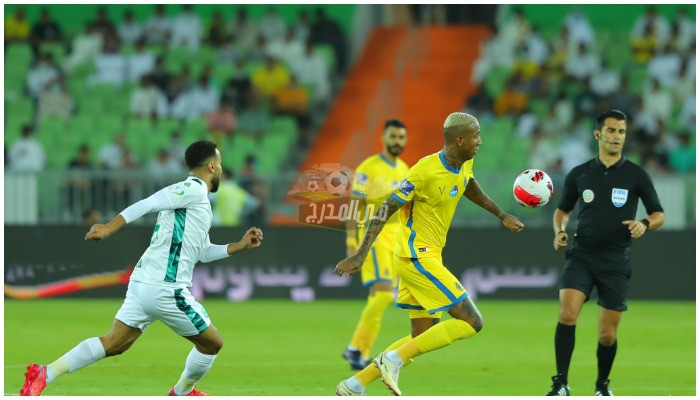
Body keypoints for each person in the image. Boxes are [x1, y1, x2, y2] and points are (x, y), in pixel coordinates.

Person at [19, 140, 264, 396]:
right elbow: (149, 202)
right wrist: (107, 228)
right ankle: (182, 392)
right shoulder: (191, 189)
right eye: (221, 162)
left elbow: (201, 251)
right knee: (213, 343)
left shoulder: (195, 202)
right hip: (166, 288)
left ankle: (44, 373)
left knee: (115, 343)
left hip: (143, 283)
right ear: (212, 166)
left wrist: (238, 246)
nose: (222, 168)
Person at [335, 112, 524, 396]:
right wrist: (361, 254)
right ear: (459, 140)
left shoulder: (464, 163)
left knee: (421, 336)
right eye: (476, 136)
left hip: (428, 256)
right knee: (472, 322)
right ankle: (392, 359)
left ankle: (353, 385)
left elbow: (468, 185)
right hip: (417, 257)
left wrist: (501, 214)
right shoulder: (423, 171)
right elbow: (386, 208)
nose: (480, 142)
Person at [545, 110, 665, 396]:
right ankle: (560, 383)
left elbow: (659, 214)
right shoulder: (580, 173)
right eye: (611, 131)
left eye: (621, 132)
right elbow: (562, 211)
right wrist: (559, 231)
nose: (616, 137)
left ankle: (602, 387)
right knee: (567, 313)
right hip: (581, 255)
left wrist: (644, 224)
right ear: (598, 134)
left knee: (607, 334)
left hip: (615, 260)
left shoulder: (636, 175)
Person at [341, 119, 410, 370]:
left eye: (401, 137)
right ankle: (355, 349)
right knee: (382, 294)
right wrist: (351, 243)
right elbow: (353, 206)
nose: (397, 142)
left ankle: (359, 350)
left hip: (396, 240)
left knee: (379, 297)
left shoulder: (405, 169)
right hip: (373, 237)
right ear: (383, 137)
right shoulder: (368, 167)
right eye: (393, 136)